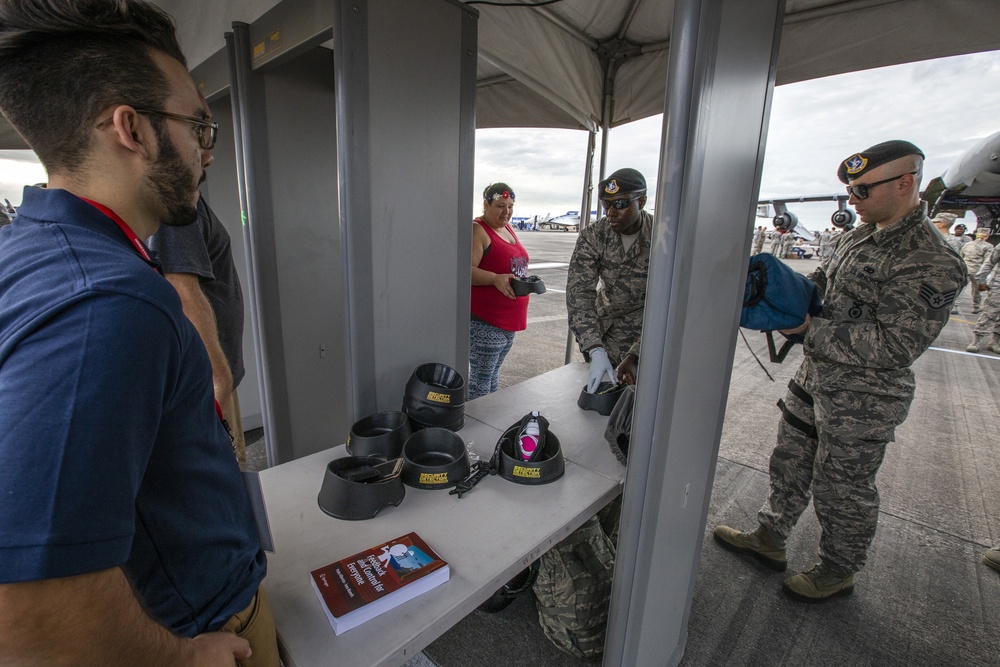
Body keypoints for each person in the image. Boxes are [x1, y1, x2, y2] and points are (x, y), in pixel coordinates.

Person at [0, 2, 278, 665]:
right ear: (132, 128)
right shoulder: (109, 302)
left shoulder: (40, 247)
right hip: (200, 623)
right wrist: (177, 657)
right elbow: (26, 604)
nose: (207, 148)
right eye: (197, 125)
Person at [713, 140, 966, 602]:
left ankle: (838, 569)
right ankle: (771, 538)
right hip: (815, 379)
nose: (852, 201)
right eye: (851, 190)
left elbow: (896, 344)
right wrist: (782, 291)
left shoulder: (932, 259)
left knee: (843, 489)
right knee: (789, 464)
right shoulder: (856, 237)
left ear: (905, 182)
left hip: (864, 400)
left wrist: (807, 329)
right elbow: (822, 290)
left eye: (863, 190)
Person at [148, 194, 248, 463]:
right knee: (228, 473)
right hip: (211, 381)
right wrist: (220, 383)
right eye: (201, 147)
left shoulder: (192, 202)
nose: (208, 156)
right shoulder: (178, 208)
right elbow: (180, 289)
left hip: (214, 376)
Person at [567, 167, 652, 390]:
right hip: (604, 334)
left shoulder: (663, 236)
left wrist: (637, 355)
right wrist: (594, 348)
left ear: (641, 201)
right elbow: (579, 294)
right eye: (606, 204)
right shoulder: (594, 235)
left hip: (647, 337)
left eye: (621, 204)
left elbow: (672, 305)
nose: (611, 212)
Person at [469, 182, 530, 399]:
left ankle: (487, 425)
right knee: (481, 384)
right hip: (485, 322)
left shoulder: (506, 228)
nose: (506, 212)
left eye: (510, 206)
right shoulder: (479, 230)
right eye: (500, 206)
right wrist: (494, 279)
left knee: (492, 378)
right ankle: (475, 430)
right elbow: (463, 272)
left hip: (507, 322)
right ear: (486, 204)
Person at [965, 240, 1000, 353]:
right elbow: (989, 263)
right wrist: (981, 280)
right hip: (998, 287)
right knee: (989, 313)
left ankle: (995, 341)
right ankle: (976, 340)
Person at [960, 227, 994, 314]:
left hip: (965, 269)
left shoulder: (967, 244)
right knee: (976, 290)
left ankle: (955, 306)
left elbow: (961, 256)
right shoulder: (988, 246)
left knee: (960, 289)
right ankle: (976, 307)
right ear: (987, 236)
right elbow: (988, 261)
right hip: (977, 271)